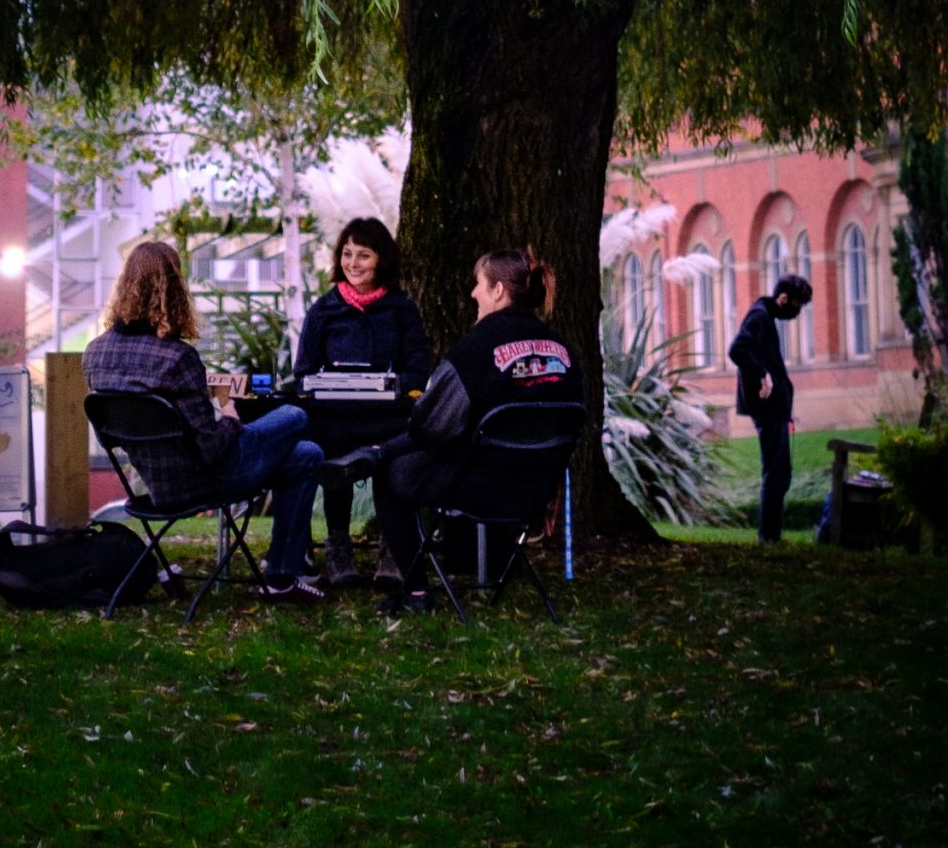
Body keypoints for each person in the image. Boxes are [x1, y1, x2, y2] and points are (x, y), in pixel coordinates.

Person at [340, 246, 578, 616]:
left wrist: (387, 449)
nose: (472, 294)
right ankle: (378, 453)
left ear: (498, 290)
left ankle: (416, 593)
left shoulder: (478, 346)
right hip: (536, 493)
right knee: (397, 456)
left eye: (478, 284)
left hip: (480, 487)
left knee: (389, 474)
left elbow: (429, 427)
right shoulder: (562, 349)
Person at [84, 239, 325, 601]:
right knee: (295, 415)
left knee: (305, 454)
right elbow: (212, 448)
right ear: (175, 289)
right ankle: (281, 572)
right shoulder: (178, 357)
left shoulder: (95, 353)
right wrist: (228, 411)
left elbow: (113, 435)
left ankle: (282, 578)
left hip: (156, 485)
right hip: (206, 481)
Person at [293, 215, 430, 586]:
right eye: (348, 254)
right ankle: (338, 550)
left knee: (394, 456)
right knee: (334, 457)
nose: (353, 263)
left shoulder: (402, 309)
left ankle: (392, 548)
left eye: (364, 255)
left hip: (388, 416)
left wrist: (391, 385)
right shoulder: (324, 309)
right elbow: (303, 370)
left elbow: (419, 368)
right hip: (335, 416)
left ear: (381, 260)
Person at [727, 271, 815, 544]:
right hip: (767, 409)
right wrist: (763, 374)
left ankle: (771, 535)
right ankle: (769, 537)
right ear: (784, 298)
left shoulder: (765, 315)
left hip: (775, 408)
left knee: (780, 472)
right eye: (797, 306)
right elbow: (737, 350)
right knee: (776, 472)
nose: (797, 313)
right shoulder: (760, 317)